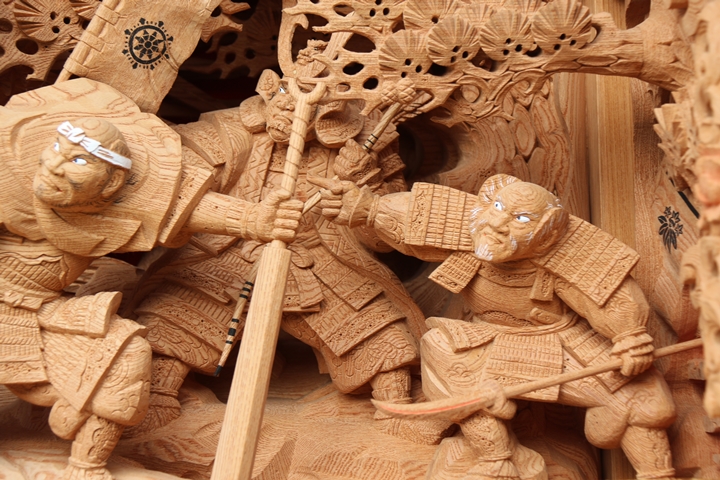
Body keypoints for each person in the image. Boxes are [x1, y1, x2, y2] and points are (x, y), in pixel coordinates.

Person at [0, 78, 301, 480]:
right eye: (57, 147)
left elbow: (186, 208)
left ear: (111, 185)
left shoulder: (123, 204)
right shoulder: (9, 174)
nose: (54, 165)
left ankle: (85, 468)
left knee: (124, 357)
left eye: (79, 162)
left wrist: (257, 219)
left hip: (34, 313)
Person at [124, 67, 438, 443]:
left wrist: (361, 197)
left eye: (307, 106)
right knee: (171, 323)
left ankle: (396, 410)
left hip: (320, 258)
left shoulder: (367, 146)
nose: (289, 112)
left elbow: (383, 238)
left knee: (387, 339)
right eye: (283, 99)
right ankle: (155, 400)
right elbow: (173, 186)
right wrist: (244, 218)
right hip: (230, 251)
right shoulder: (227, 132)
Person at [312, 173, 677, 479]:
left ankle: (657, 475)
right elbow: (410, 218)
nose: (499, 224)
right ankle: (498, 458)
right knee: (441, 346)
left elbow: (611, 299)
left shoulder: (566, 252)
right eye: (499, 208)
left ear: (547, 230)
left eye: (521, 219)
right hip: (486, 340)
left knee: (640, 396)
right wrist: (366, 207)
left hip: (555, 341)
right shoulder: (471, 226)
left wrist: (630, 339)